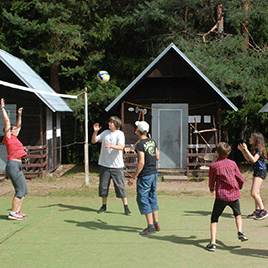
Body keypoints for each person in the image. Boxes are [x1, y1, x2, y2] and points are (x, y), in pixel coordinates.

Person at [206, 142, 248, 251]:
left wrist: (211, 189)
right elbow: (241, 178)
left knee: (214, 218)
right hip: (234, 194)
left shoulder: (214, 166)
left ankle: (213, 243)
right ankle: (240, 232)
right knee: (237, 214)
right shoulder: (232, 164)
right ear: (228, 153)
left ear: (217, 153)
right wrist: (239, 187)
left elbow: (212, 180)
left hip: (221, 196)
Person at [91, 116, 131, 216]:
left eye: (112, 122)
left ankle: (126, 207)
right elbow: (94, 140)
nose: (109, 124)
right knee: (103, 187)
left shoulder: (120, 134)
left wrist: (111, 146)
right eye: (109, 122)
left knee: (120, 187)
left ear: (116, 124)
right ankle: (103, 206)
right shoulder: (105, 132)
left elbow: (121, 147)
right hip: (104, 165)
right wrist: (95, 132)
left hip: (117, 166)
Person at [128, 121, 160, 235]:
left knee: (143, 198)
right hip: (154, 174)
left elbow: (141, 163)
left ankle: (150, 226)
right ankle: (156, 224)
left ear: (138, 130)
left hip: (145, 175)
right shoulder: (152, 141)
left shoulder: (140, 144)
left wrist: (133, 177)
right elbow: (157, 157)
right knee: (152, 197)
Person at [1, 98, 28, 220]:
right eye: (14, 129)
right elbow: (7, 121)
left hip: (17, 166)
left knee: (24, 190)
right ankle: (13, 213)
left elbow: (19, 125)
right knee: (20, 190)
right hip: (12, 165)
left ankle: (17, 211)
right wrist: (2, 107)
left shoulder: (15, 137)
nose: (16, 129)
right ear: (9, 131)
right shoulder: (8, 137)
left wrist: (19, 114)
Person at [238, 132, 268, 220]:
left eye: (251, 138)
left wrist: (246, 150)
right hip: (257, 171)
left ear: (256, 140)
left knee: (253, 193)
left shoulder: (260, 149)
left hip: (261, 171)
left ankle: (263, 211)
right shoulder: (255, 149)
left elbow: (254, 160)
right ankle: (257, 211)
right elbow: (249, 159)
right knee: (256, 192)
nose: (249, 139)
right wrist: (243, 151)